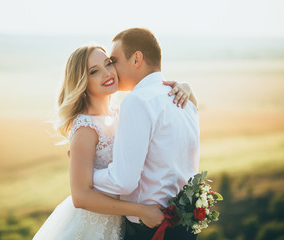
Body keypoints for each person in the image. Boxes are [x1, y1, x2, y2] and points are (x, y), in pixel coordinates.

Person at [33, 42, 197, 239]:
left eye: (108, 63)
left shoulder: (122, 112)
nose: (107, 73)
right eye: (94, 71)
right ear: (82, 82)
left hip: (122, 222)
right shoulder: (85, 128)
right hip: (94, 224)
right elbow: (81, 197)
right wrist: (140, 210)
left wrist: (185, 88)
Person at [92, 28, 199, 240]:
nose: (111, 68)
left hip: (149, 231)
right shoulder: (186, 101)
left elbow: (123, 181)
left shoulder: (137, 101)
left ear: (137, 58)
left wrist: (86, 173)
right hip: (185, 228)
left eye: (114, 60)